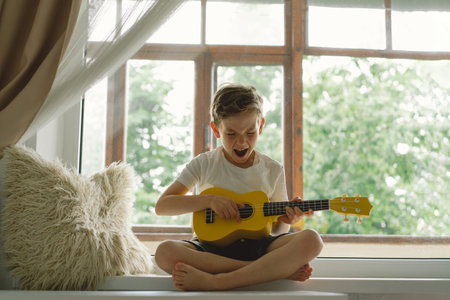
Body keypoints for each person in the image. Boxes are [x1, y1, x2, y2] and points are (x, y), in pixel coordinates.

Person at [154, 83, 323, 291]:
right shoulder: (204, 163)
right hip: (210, 249)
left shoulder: (272, 170)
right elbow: (163, 206)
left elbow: (279, 231)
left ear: (260, 127)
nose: (241, 142)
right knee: (165, 252)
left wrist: (286, 219)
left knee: (312, 240)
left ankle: (217, 281)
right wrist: (209, 200)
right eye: (231, 134)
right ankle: (262, 271)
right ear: (216, 129)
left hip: (259, 246)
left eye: (250, 133)